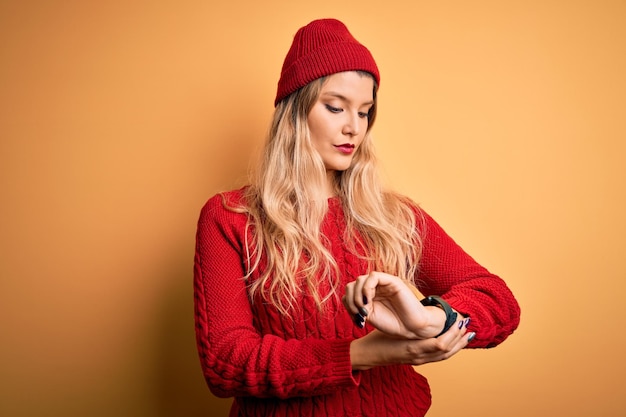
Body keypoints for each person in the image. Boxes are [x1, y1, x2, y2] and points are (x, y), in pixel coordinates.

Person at [193, 18, 520, 417]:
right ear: (294, 112)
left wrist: (429, 317)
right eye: (335, 107)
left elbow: (498, 301)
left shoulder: (394, 216)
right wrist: (362, 354)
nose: (353, 128)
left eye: (365, 112)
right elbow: (226, 363)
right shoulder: (230, 219)